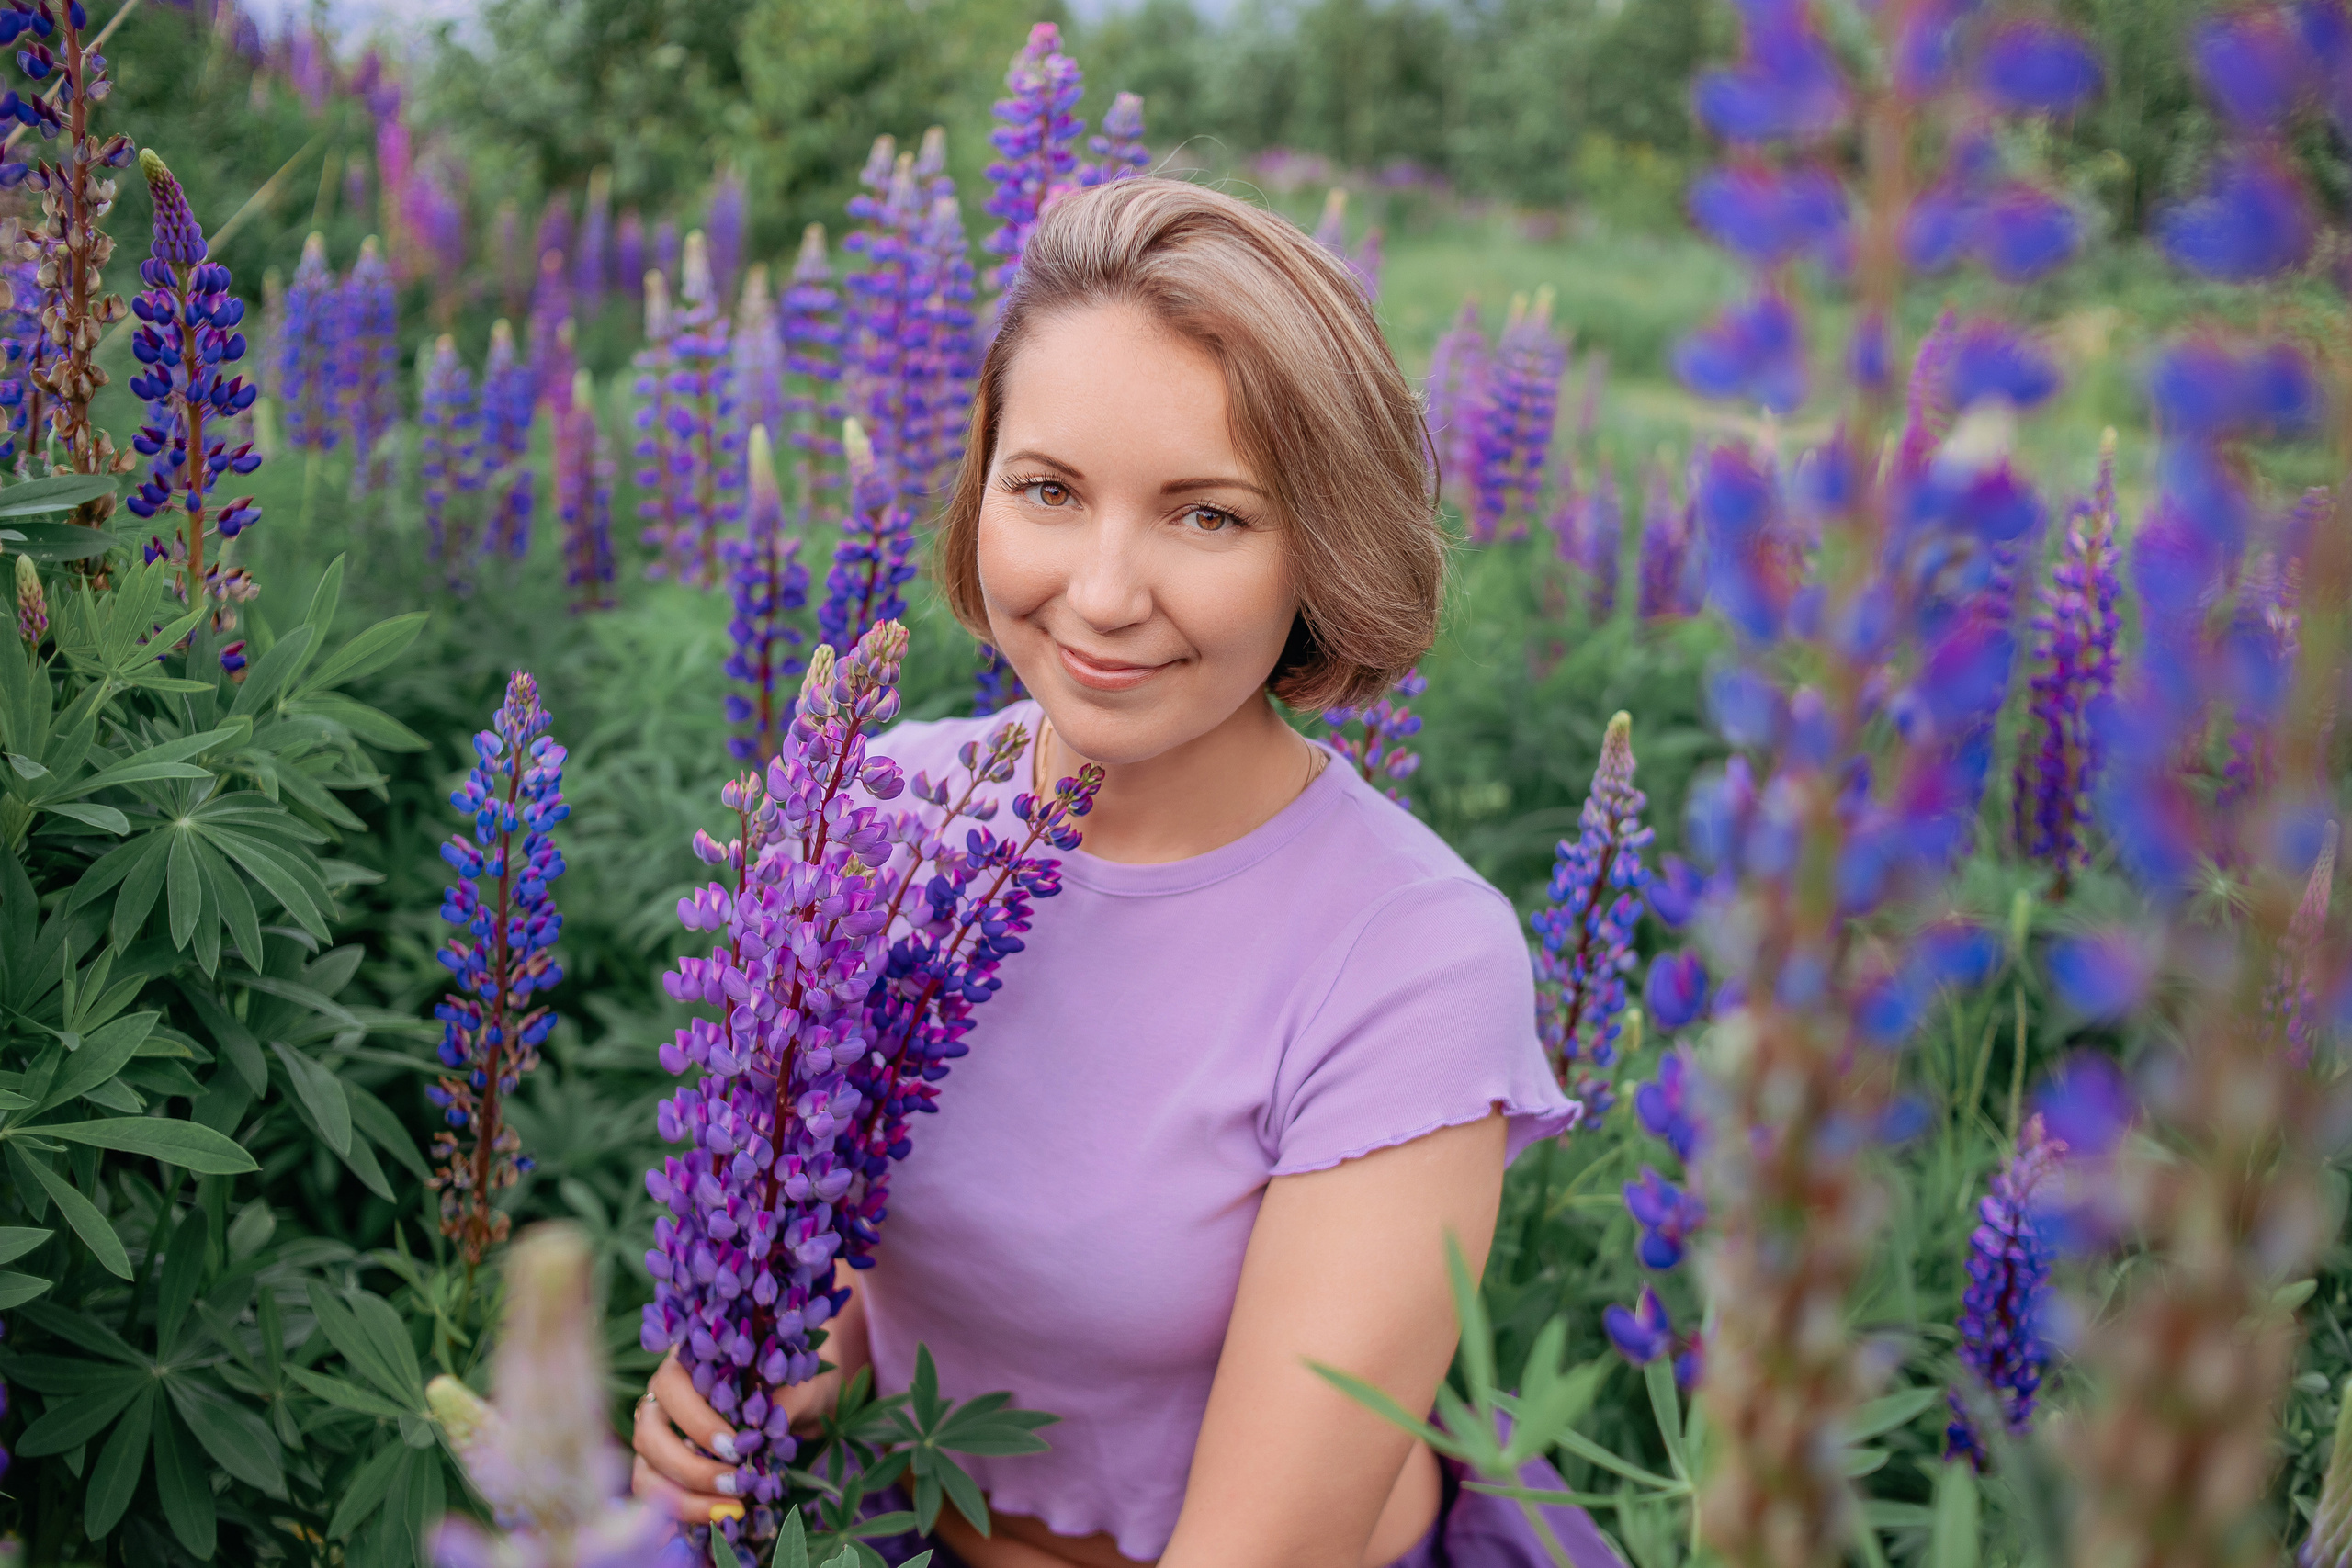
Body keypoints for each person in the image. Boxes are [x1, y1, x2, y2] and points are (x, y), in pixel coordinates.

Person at [631, 177, 1622, 1568]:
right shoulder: (878, 811)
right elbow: (861, 1236)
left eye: (1206, 516)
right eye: (1048, 490)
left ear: (1322, 546)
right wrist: (788, 1358)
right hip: (882, 1523)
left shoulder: (1413, 957)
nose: (1102, 594)